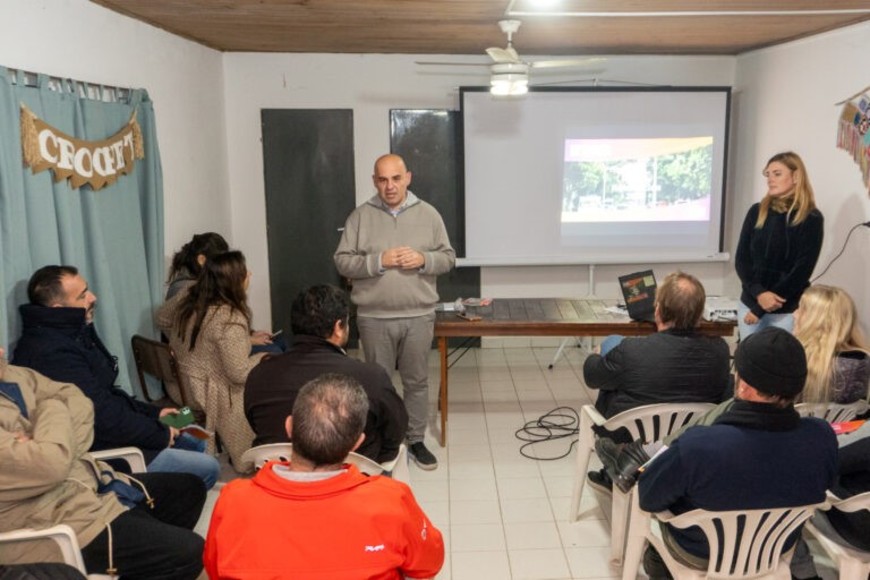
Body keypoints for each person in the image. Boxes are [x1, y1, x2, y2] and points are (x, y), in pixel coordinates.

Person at [610, 328, 837, 579]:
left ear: (744, 387)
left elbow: (648, 497)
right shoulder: (822, 437)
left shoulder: (699, 445)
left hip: (700, 551)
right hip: (775, 549)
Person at [204, 374, 445, 579]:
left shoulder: (232, 500)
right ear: (357, 443)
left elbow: (214, 570)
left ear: (289, 427)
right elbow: (428, 564)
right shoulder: (390, 500)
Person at [0, 345, 206, 579]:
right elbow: (51, 464)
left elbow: (79, 400)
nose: (1, 351)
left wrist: (50, 443)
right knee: (191, 550)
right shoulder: (52, 351)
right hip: (52, 521)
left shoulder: (15, 374)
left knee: (190, 489)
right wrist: (52, 405)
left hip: (88, 481)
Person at [12, 265, 220, 489]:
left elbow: (107, 395)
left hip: (113, 426)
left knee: (190, 432)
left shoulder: (71, 333)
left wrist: (154, 413)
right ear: (58, 309)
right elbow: (101, 417)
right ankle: (155, 504)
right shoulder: (50, 353)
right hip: (100, 447)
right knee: (208, 467)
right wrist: (158, 433)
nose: (93, 297)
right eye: (82, 296)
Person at [334, 153, 455, 470]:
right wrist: (379, 261)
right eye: (383, 179)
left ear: (408, 178)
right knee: (376, 385)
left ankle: (416, 440)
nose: (390, 186)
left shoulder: (429, 214)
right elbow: (342, 262)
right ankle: (382, 443)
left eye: (396, 179)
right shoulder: (360, 216)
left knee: (417, 382)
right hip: (374, 318)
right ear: (374, 181)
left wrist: (424, 259)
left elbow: (448, 257)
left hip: (419, 316)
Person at [244, 284, 408, 463]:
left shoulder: (259, 375)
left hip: (280, 473)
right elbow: (395, 435)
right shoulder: (371, 377)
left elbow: (256, 426)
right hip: (353, 473)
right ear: (338, 327)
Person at [156, 250, 266, 468]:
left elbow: (162, 318)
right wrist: (263, 358)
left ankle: (174, 426)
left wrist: (188, 343)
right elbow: (239, 374)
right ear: (233, 281)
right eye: (245, 272)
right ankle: (252, 454)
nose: (250, 274)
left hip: (181, 386)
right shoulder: (229, 319)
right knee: (268, 370)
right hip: (207, 395)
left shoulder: (189, 297)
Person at [583, 271, 731, 419]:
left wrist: (596, 354)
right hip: (693, 429)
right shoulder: (720, 351)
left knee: (612, 343)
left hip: (630, 431)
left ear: (658, 311)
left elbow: (591, 377)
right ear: (699, 316)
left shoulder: (631, 351)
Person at [735, 151, 824, 339]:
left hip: (786, 312)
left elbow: (801, 271)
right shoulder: (756, 211)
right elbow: (742, 261)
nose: (770, 180)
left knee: (781, 358)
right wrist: (759, 295)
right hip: (749, 304)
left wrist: (760, 309)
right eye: (768, 174)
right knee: (748, 357)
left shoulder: (811, 218)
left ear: (796, 177)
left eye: (777, 174)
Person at [166, 232, 281, 354]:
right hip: (209, 354)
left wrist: (250, 333)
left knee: (279, 343)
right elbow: (207, 334)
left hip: (223, 344)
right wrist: (249, 340)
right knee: (274, 351)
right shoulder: (185, 289)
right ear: (202, 260)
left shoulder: (202, 284)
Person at [793, 284, 870, 404]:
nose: (794, 314)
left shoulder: (789, 359)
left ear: (815, 319)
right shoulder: (862, 361)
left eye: (801, 309)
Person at [165, 231, 229, 300]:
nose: (225, 268)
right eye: (221, 262)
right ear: (201, 260)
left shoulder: (193, 285)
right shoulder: (185, 289)